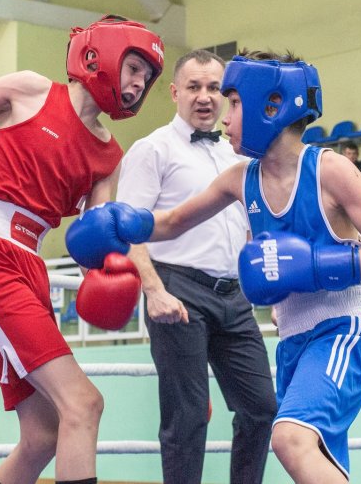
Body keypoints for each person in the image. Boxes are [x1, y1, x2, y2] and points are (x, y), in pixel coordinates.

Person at [65, 52, 361, 484]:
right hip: (293, 340)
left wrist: (313, 267)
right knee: (311, 452)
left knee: (289, 439)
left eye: (233, 101)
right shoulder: (241, 178)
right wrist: (122, 223)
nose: (224, 115)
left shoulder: (329, 169)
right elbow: (172, 222)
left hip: (342, 331)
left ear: (271, 105)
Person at [0, 15, 165, 484]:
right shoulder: (32, 90)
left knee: (42, 435)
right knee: (83, 403)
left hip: (31, 265)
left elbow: (95, 238)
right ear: (99, 56)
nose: (139, 84)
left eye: (147, 77)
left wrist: (108, 275)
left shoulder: (109, 155)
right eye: (134, 68)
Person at [116, 49, 275, 484]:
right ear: (174, 93)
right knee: (186, 419)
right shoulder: (153, 149)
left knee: (262, 407)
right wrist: (153, 290)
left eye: (213, 88)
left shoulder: (237, 155)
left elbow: (251, 231)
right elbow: (127, 229)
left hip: (234, 295)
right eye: (194, 87)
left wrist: (271, 293)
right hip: (177, 289)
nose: (204, 97)